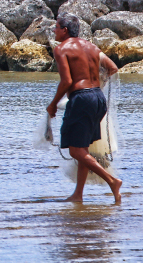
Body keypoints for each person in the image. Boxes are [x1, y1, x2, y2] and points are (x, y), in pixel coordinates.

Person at [47, 14, 123, 204]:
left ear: (64, 30)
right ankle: (78, 195)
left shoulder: (61, 49)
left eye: (56, 27)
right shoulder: (92, 47)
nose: (54, 31)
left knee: (75, 151)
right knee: (83, 149)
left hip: (81, 99)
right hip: (98, 98)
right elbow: (113, 68)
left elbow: (67, 82)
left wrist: (53, 104)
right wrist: (96, 86)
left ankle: (112, 181)